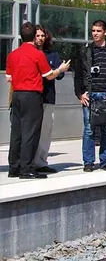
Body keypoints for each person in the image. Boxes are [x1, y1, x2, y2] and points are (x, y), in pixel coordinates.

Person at [6, 22, 70, 179]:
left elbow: (9, 78)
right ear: (34, 36)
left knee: (17, 133)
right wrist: (60, 70)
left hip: (17, 95)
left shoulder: (12, 54)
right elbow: (49, 75)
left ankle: (14, 167)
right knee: (30, 132)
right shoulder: (37, 54)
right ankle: (27, 168)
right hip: (32, 95)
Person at [73, 20, 106, 172]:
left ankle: (105, 161)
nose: (95, 34)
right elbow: (77, 75)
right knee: (89, 129)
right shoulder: (85, 51)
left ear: (105, 32)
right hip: (89, 95)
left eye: (98, 31)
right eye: (93, 31)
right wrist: (80, 94)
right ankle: (88, 162)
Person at [33, 26, 65, 174]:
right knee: (31, 131)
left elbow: (59, 74)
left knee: (46, 131)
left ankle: (41, 162)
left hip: (48, 97)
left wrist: (55, 71)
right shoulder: (29, 53)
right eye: (37, 35)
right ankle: (28, 161)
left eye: (42, 35)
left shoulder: (52, 55)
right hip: (32, 98)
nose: (40, 38)